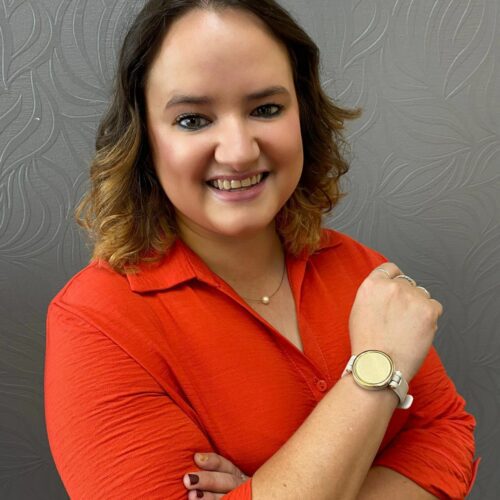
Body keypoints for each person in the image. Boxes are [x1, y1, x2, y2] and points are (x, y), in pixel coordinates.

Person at [44, 0, 479, 498]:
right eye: (192, 120)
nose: (239, 151)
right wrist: (378, 367)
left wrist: (271, 490)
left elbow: (447, 439)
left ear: (303, 115)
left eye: (266, 109)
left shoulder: (363, 272)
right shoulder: (96, 322)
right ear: (144, 138)